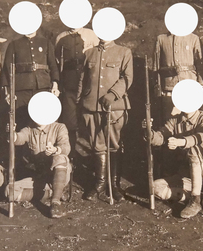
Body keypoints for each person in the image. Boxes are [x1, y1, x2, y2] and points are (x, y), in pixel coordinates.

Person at [78, 38, 133, 202]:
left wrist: (113, 94)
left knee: (114, 144)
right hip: (91, 105)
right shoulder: (89, 53)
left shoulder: (124, 52)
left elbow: (127, 77)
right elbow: (82, 79)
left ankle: (114, 184)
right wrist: (79, 101)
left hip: (114, 106)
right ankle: (100, 183)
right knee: (97, 144)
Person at [147, 106, 203, 219]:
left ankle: (195, 200)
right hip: (186, 174)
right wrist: (149, 132)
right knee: (155, 187)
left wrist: (182, 142)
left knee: (193, 149)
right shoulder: (175, 121)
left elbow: (201, 136)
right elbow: (161, 136)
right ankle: (195, 197)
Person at [12, 111, 72, 218]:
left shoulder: (59, 127)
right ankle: (52, 192)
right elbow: (19, 138)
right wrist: (12, 134)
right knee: (10, 191)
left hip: (60, 173)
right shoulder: (29, 129)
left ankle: (55, 203)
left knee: (60, 157)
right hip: (41, 177)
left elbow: (66, 147)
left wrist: (55, 150)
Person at [1, 31, 60, 128]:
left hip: (42, 87)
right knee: (22, 121)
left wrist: (55, 84)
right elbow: (6, 69)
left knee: (44, 120)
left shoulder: (45, 43)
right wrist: (8, 92)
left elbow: (53, 65)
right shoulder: (14, 44)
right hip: (21, 90)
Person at [55, 26, 98, 150]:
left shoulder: (91, 34)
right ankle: (71, 153)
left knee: (90, 118)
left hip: (88, 81)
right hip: (69, 82)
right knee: (70, 120)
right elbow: (57, 60)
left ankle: (94, 152)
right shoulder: (61, 37)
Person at [154, 31, 203, 122]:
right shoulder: (161, 39)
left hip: (190, 85)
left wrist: (200, 85)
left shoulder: (194, 38)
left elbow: (200, 64)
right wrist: (157, 86)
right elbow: (156, 66)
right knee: (169, 119)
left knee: (191, 118)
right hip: (169, 87)